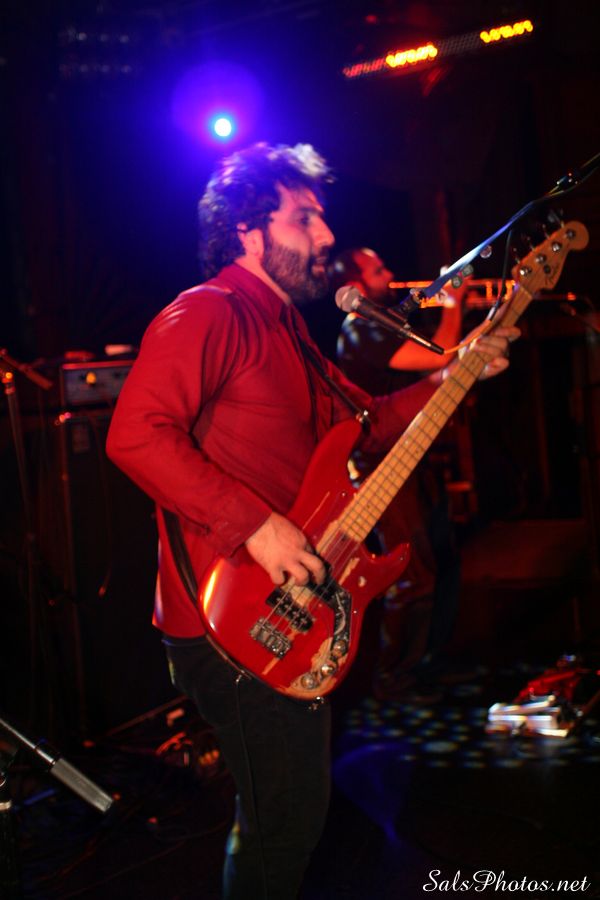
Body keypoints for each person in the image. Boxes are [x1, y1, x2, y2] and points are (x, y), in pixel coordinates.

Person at [106, 143, 517, 899]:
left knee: (290, 821)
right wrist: (256, 525)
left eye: (321, 219)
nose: (326, 235)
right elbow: (135, 434)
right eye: (304, 219)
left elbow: (369, 423)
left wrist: (456, 374)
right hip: (230, 619)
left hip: (287, 606)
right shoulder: (208, 312)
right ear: (248, 232)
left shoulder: (288, 331)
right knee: (284, 825)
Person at [333, 247, 471, 700]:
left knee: (441, 560)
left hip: (415, 454)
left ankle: (430, 663)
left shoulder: (384, 323)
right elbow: (441, 355)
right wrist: (454, 304)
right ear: (356, 286)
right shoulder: (360, 332)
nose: (390, 274)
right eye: (378, 270)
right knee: (411, 574)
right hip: (383, 466)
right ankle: (396, 676)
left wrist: (448, 295)